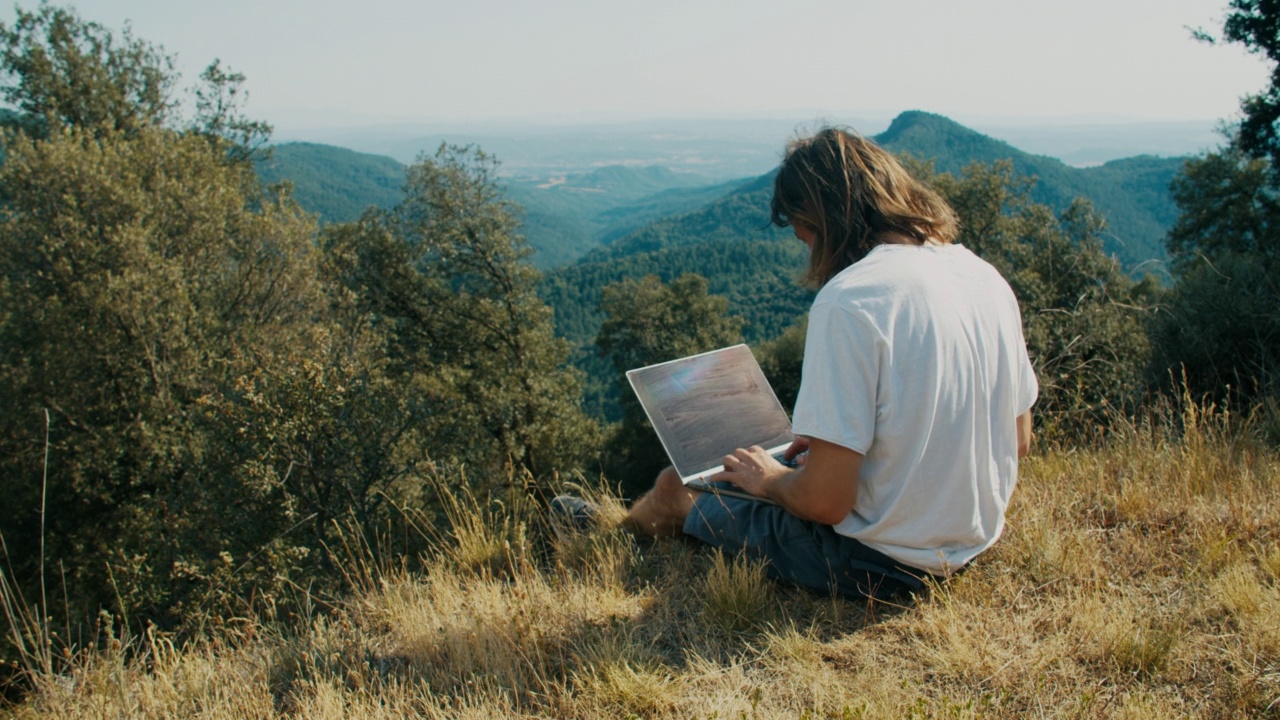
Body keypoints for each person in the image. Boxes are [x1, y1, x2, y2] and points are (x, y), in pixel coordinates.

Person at [621, 127, 1038, 601]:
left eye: (805, 237)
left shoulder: (850, 300)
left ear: (824, 221)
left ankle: (607, 536)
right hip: (974, 538)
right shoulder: (982, 275)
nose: (810, 253)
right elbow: (1019, 439)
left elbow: (826, 502)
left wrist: (772, 478)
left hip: (882, 561)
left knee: (676, 486)